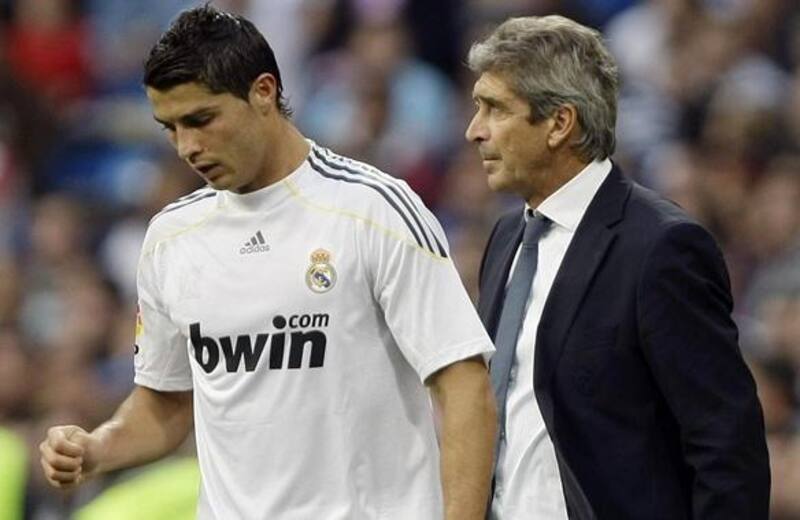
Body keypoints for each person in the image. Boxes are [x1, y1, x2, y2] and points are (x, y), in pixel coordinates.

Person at [39, 6, 497, 519]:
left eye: (201, 119)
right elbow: (164, 406)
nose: (187, 146)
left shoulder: (374, 209)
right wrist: (97, 447)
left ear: (263, 92)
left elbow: (463, 386)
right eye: (169, 127)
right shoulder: (171, 238)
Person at [465, 15, 770, 520]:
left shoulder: (661, 247)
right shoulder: (505, 239)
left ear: (560, 124)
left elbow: (726, 447)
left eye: (495, 109)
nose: (474, 131)